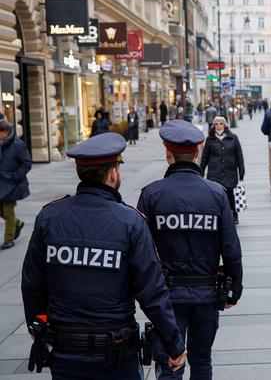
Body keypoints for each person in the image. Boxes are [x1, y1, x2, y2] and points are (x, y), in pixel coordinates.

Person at [21, 132, 187, 379]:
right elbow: (151, 291)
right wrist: (174, 344)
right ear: (112, 174)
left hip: (65, 352)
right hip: (116, 354)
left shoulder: (49, 218)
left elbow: (32, 283)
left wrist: (37, 325)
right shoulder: (130, 222)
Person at [138, 120, 243, 378]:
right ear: (198, 152)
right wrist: (234, 290)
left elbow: (141, 253)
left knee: (170, 365)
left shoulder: (151, 195)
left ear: (167, 153)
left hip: (167, 297)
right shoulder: (217, 194)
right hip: (206, 294)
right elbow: (231, 248)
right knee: (202, 360)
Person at [200, 116, 245, 225]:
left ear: (225, 125)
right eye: (216, 124)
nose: (219, 126)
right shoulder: (210, 139)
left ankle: (234, 215)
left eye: (221, 123)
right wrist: (200, 172)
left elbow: (239, 155)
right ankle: (217, 215)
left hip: (229, 171)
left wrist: (241, 171)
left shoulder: (233, 138)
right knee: (215, 195)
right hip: (214, 172)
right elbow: (204, 157)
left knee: (229, 194)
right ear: (213, 125)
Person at [0, 120, 31, 250]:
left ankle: (9, 239)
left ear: (5, 132)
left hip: (12, 185)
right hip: (1, 183)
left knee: (8, 212)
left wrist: (15, 176)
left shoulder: (18, 145)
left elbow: (26, 163)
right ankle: (17, 224)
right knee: (2, 212)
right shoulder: (1, 144)